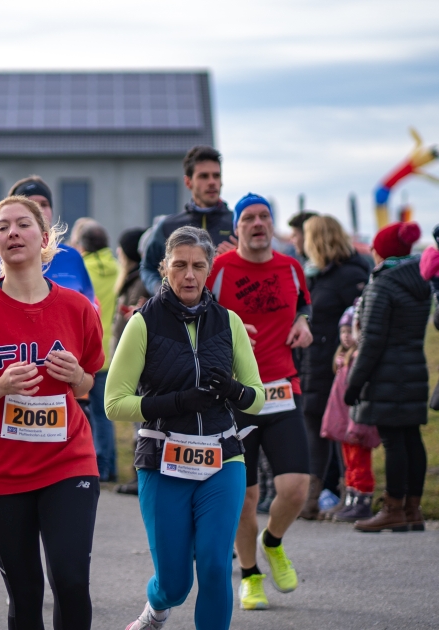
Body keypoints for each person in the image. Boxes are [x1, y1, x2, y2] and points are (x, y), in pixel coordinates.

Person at [0, 195, 104, 629]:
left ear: (45, 238)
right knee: (26, 592)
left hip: (68, 461)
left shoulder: (77, 309)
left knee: (70, 581)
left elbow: (89, 385)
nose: (12, 232)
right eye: (2, 227)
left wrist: (76, 378)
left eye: (23, 224)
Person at [105, 226, 264, 630]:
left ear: (209, 270)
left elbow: (258, 397)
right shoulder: (143, 323)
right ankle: (157, 609)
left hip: (222, 457)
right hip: (163, 459)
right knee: (175, 584)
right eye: (179, 266)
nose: (188, 275)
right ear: (164, 269)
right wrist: (176, 402)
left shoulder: (229, 322)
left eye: (197, 266)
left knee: (213, 566)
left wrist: (232, 389)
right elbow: (113, 403)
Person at [206, 193, 312, 610]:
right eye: (248, 217)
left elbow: (303, 303)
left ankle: (274, 542)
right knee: (244, 497)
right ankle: (249, 575)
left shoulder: (291, 267)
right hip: (235, 394)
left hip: (283, 388)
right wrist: (227, 336)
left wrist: (305, 321)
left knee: (295, 487)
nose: (257, 223)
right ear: (236, 228)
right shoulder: (219, 269)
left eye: (264, 216)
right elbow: (196, 316)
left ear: (272, 225)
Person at [346, 221, 430, 533]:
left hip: (386, 374)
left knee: (394, 441)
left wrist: (354, 384)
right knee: (411, 438)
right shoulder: (421, 280)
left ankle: (394, 507)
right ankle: (412, 508)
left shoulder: (382, 284)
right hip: (414, 369)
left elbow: (372, 340)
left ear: (382, 251)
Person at [297, 215, 370, 519]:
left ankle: (347, 493)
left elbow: (357, 317)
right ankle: (315, 496)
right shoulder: (315, 274)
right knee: (315, 425)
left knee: (339, 428)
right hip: (314, 362)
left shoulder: (348, 275)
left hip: (336, 365)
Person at [0, 177, 95, 303]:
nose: (38, 209)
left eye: (44, 204)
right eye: (30, 204)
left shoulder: (72, 257)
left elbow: (91, 307)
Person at [141, 146, 236, 295]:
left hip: (226, 314)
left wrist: (240, 259)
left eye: (216, 176)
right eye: (204, 176)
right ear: (188, 182)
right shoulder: (168, 225)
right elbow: (147, 267)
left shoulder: (238, 223)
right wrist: (160, 290)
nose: (212, 182)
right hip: (178, 316)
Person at [322, 306, 378, 522]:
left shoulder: (358, 360)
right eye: (343, 332)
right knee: (349, 462)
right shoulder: (342, 359)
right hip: (345, 422)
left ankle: (363, 500)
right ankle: (351, 498)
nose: (346, 336)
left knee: (360, 461)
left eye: (350, 331)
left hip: (358, 421)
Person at [110, 227, 152, 495]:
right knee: (138, 425)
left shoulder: (141, 282)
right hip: (131, 364)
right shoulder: (134, 279)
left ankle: (143, 479)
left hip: (139, 364)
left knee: (142, 426)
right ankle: (141, 477)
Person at [78, 223, 119, 481]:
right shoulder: (118, 268)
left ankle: (99, 467)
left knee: (91, 411)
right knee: (107, 413)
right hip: (112, 350)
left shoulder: (82, 271)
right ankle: (109, 467)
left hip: (88, 350)